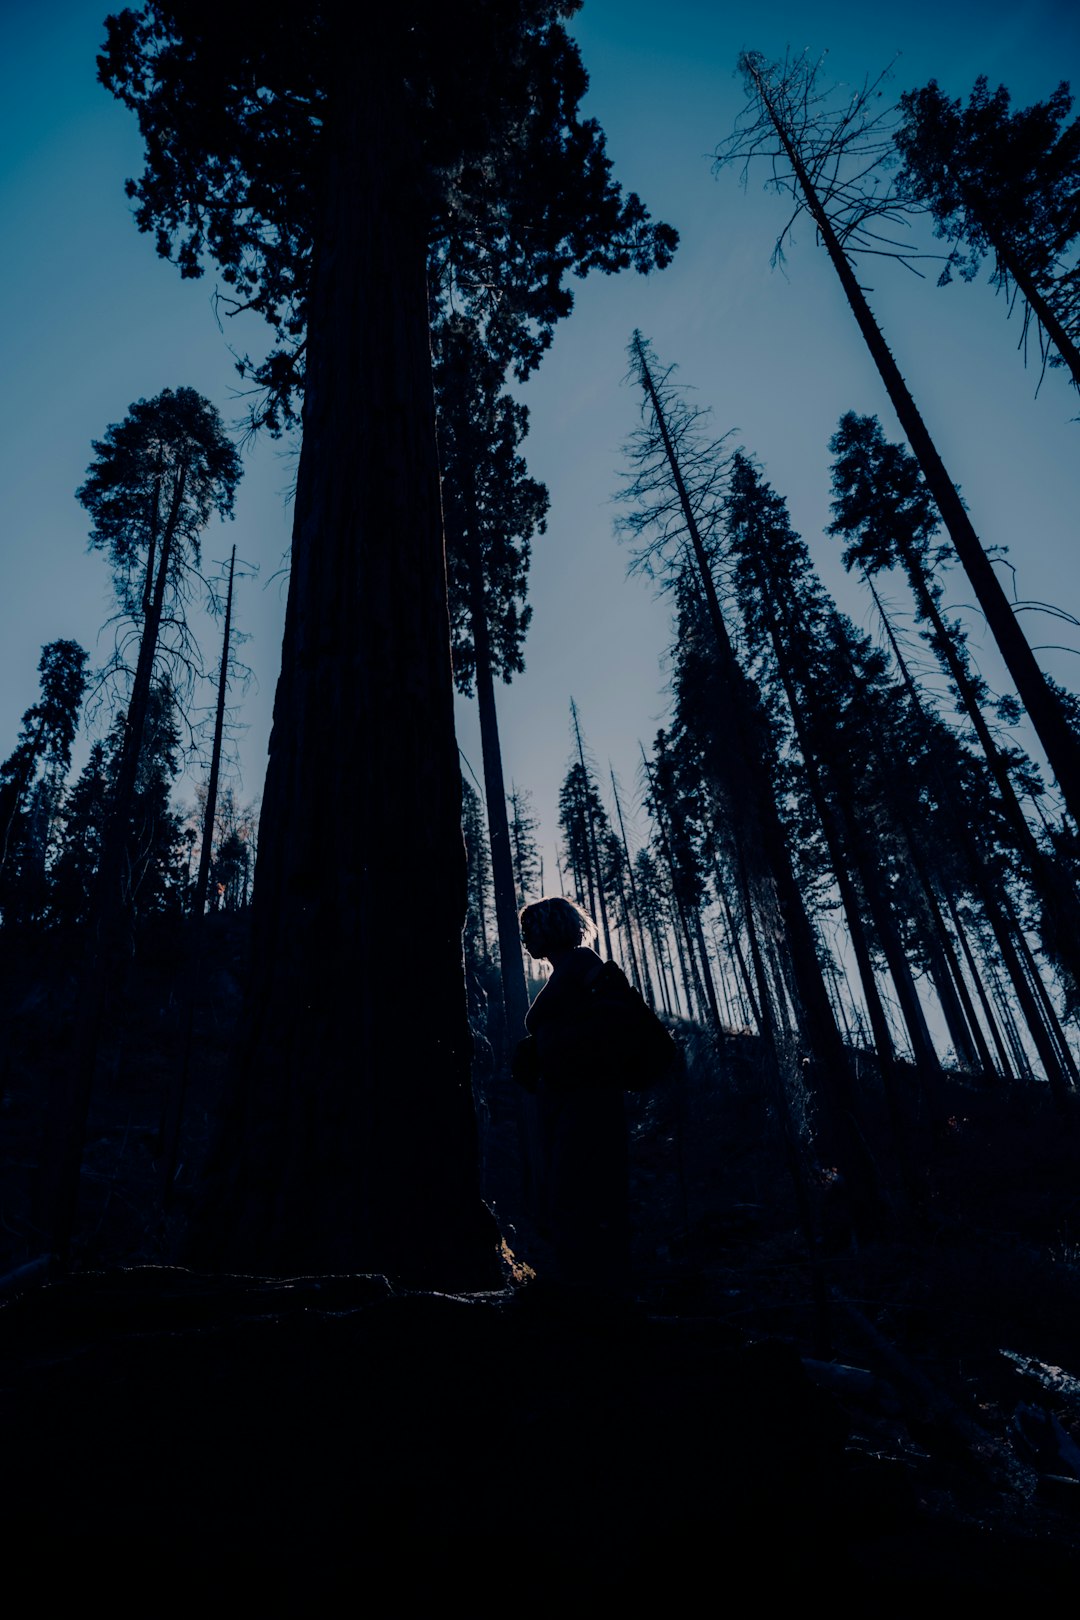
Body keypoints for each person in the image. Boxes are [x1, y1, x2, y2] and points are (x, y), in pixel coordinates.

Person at [515, 896, 631, 1297]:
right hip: (566, 1100)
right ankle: (584, 1284)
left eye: (530, 927)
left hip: (589, 1099)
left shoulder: (583, 964)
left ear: (550, 927)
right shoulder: (565, 971)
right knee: (566, 1190)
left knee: (578, 1189)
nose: (525, 936)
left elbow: (614, 1015)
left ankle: (592, 1290)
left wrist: (560, 1049)